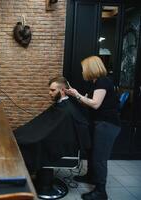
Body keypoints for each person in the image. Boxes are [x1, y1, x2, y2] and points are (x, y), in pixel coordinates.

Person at [65, 56, 121, 200]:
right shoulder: (94, 84)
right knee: (91, 152)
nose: (83, 71)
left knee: (99, 158)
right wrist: (76, 95)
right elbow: (89, 103)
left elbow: (95, 104)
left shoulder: (103, 81)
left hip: (107, 124)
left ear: (91, 68)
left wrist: (77, 95)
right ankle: (90, 177)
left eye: (84, 68)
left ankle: (101, 192)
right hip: (98, 122)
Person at [14, 76, 90, 173]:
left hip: (57, 143)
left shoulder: (67, 110)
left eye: (53, 90)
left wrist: (34, 137)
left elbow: (57, 132)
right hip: (50, 138)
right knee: (18, 136)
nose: (49, 93)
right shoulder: (60, 105)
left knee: (25, 143)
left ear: (63, 90)